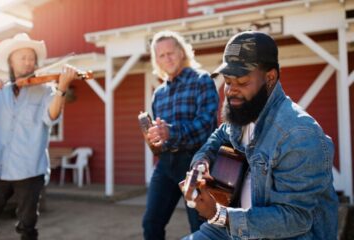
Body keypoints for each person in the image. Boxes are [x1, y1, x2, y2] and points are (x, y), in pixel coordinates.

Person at [182, 30, 339, 239]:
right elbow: (219, 136)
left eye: (242, 82)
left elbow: (296, 218)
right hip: (232, 229)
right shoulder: (245, 112)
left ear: (270, 78)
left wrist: (220, 215)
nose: (230, 91)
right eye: (228, 81)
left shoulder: (299, 134)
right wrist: (202, 162)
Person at [0, 33, 78, 240]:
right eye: (23, 57)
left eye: (31, 58)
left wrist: (62, 89)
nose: (28, 62)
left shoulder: (46, 90)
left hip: (29, 170)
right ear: (11, 61)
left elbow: (51, 117)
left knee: (27, 229)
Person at [142, 30, 219, 240]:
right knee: (151, 223)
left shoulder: (202, 80)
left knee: (200, 227)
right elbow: (160, 140)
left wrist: (171, 132)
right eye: (161, 55)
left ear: (182, 53)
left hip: (196, 163)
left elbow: (206, 125)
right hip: (165, 164)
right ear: (156, 60)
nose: (167, 58)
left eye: (171, 53)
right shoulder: (159, 94)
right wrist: (154, 138)